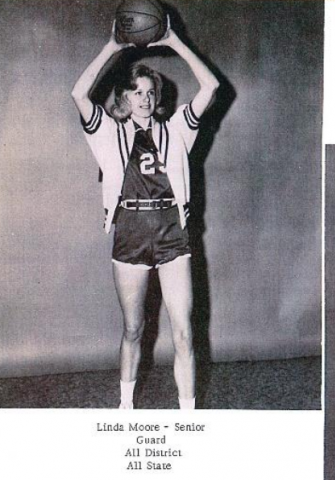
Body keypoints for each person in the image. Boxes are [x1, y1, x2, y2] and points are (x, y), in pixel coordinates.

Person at [71, 20, 219, 409]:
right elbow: (78, 93)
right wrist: (112, 46)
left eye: (150, 92)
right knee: (134, 329)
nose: (144, 98)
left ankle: (188, 418)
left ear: (158, 97)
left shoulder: (177, 130)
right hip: (131, 232)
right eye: (136, 92)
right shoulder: (108, 133)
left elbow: (212, 87)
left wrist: (175, 42)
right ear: (124, 97)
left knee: (184, 332)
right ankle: (125, 409)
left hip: (172, 232)